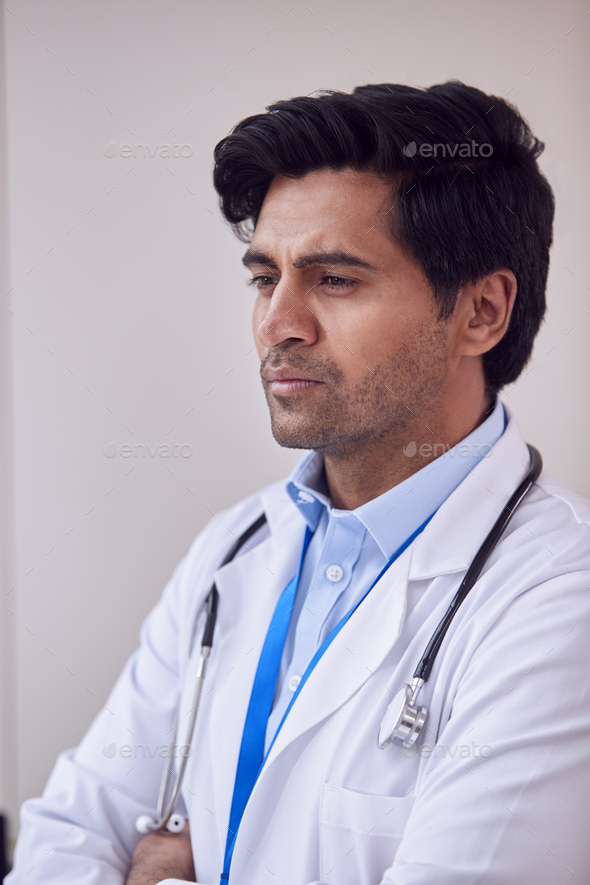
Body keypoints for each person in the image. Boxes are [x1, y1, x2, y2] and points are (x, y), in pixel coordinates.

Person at [7, 81, 590, 885]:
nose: (279, 323)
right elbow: (68, 832)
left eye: (335, 280)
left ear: (481, 312)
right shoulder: (234, 548)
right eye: (263, 276)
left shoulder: (562, 600)